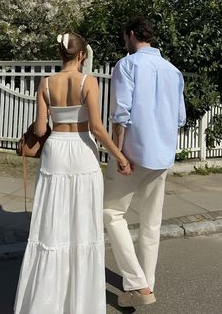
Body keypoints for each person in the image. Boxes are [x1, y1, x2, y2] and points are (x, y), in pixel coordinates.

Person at [14, 32, 131, 314]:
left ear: (61, 54)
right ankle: (79, 303)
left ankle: (45, 300)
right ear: (81, 56)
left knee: (53, 223)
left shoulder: (46, 83)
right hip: (81, 152)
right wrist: (120, 156)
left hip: (55, 152)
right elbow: (97, 129)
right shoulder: (87, 81)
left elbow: (41, 130)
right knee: (82, 223)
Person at [104, 17, 186, 308]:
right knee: (152, 222)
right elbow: (180, 118)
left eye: (125, 37)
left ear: (131, 35)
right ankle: (146, 280)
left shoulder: (127, 65)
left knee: (111, 213)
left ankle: (139, 284)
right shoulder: (174, 71)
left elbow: (120, 114)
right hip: (162, 155)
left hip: (133, 155)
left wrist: (119, 154)